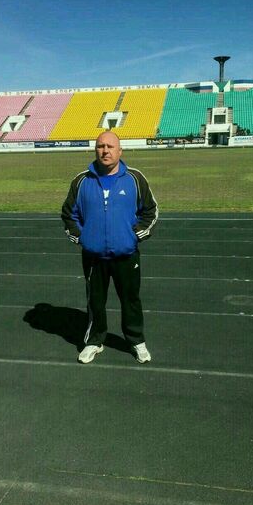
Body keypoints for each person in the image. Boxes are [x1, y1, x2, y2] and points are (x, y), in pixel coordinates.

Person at [61, 131, 158, 364]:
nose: (105, 151)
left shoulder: (135, 179)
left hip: (126, 254)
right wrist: (83, 238)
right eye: (100, 146)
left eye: (110, 146)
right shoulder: (82, 181)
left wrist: (133, 236)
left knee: (130, 300)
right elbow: (68, 214)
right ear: (95, 150)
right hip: (94, 257)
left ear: (120, 151)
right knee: (95, 302)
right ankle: (94, 341)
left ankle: (136, 341)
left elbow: (150, 211)